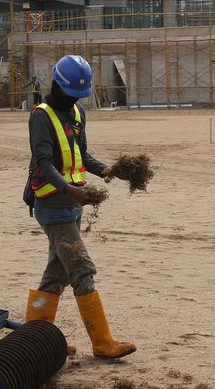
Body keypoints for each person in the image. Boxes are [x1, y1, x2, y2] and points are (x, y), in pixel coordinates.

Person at [21, 55, 136, 359]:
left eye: (78, 96)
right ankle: (102, 342)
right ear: (58, 84)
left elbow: (81, 154)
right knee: (81, 269)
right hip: (52, 205)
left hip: (73, 203)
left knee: (56, 273)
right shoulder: (41, 116)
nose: (74, 99)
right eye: (71, 94)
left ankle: (35, 341)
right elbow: (43, 163)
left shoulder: (77, 111)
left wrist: (109, 171)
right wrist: (68, 189)